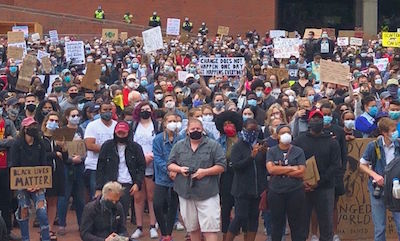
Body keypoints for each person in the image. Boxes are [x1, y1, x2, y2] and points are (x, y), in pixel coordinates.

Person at [168, 118, 226, 241]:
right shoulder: (179, 146)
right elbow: (170, 164)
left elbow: (222, 166)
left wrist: (205, 172)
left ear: (203, 130)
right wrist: (179, 169)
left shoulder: (213, 145)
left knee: (210, 229)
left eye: (198, 129)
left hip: (208, 192)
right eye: (193, 129)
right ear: (187, 131)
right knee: (192, 228)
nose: (196, 131)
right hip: (185, 192)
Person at [292, 110, 340, 241]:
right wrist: (302, 182)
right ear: (309, 121)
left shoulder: (332, 142)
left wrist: (319, 181)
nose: (316, 121)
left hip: (325, 187)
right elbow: (292, 162)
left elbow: (336, 165)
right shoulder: (299, 141)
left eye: (319, 119)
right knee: (301, 225)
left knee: (326, 225)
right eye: (314, 118)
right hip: (303, 187)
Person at [225, 118, 267, 241]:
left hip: (257, 189)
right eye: (250, 130)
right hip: (241, 189)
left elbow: (264, 167)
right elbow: (236, 166)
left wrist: (264, 154)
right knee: (240, 217)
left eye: (255, 130)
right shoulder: (238, 146)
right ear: (244, 130)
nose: (253, 132)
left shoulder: (260, 144)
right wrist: (251, 157)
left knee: (254, 217)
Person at [359, 118, 400, 241]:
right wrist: (375, 175)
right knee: (380, 228)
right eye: (392, 131)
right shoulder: (373, 145)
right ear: (384, 132)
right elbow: (362, 164)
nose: (395, 133)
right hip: (378, 188)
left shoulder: (398, 145)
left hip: (396, 189)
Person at [10, 117, 50, 241]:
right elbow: (14, 165)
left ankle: (45, 238)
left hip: (38, 183)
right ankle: (25, 238)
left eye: (34, 126)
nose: (33, 129)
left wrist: (40, 183)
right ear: (24, 129)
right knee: (24, 209)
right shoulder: (17, 144)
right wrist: (25, 184)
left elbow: (44, 163)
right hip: (22, 183)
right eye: (30, 127)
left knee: (42, 211)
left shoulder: (40, 143)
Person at [96, 121, 146, 219]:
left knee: (122, 211)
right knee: (106, 211)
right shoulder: (107, 146)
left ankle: (121, 231)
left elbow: (141, 166)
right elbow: (100, 167)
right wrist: (98, 188)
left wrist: (137, 183)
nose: (121, 135)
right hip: (110, 183)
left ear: (128, 133)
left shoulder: (136, 147)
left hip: (127, 182)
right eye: (119, 133)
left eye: (124, 133)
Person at [266, 124, 306, 241]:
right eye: (283, 133)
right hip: (276, 191)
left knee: (297, 224)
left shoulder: (298, 151)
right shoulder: (272, 151)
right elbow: (271, 169)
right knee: (277, 224)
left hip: (295, 191)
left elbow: (302, 171)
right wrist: (291, 168)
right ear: (277, 136)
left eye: (288, 132)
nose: (286, 135)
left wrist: (281, 170)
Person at [131, 102, 161, 239]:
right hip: (137, 164)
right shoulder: (133, 126)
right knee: (138, 197)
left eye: (147, 109)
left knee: (151, 196)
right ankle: (139, 227)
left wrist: (151, 156)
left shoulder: (157, 126)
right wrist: (140, 158)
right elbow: (130, 145)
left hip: (152, 164)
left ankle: (153, 226)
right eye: (142, 109)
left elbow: (160, 143)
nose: (145, 111)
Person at [57, 107, 86, 235]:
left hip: (80, 167)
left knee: (80, 198)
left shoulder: (82, 130)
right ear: (67, 117)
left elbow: (86, 147)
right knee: (64, 197)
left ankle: (82, 224)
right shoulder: (61, 131)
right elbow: (57, 150)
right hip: (66, 167)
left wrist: (81, 158)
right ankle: (62, 224)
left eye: (77, 115)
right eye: (73, 115)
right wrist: (70, 159)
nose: (75, 118)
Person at [215, 111, 243, 240]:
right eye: (225, 124)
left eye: (231, 123)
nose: (228, 126)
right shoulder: (219, 141)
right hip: (225, 176)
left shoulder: (244, 139)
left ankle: (236, 230)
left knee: (240, 206)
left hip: (241, 175)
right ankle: (225, 234)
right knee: (225, 207)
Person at [153, 113, 180, 241]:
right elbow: (157, 158)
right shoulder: (158, 139)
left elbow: (183, 156)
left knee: (173, 206)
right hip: (162, 177)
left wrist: (176, 171)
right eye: (170, 120)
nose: (173, 123)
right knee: (158, 204)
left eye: (175, 120)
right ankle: (163, 232)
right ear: (164, 123)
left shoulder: (180, 139)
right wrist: (169, 170)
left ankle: (168, 234)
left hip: (177, 177)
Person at [41, 111, 68, 239]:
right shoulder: (40, 137)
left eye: (57, 121)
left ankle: (50, 228)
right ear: (46, 122)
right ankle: (43, 227)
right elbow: (38, 155)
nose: (54, 123)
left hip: (57, 173)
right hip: (43, 174)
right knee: (43, 201)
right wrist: (54, 154)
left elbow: (66, 158)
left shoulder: (60, 137)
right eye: (51, 120)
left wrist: (63, 148)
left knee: (53, 201)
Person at [84, 102, 117, 200]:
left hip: (113, 166)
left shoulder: (117, 125)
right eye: (105, 110)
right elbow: (89, 145)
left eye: (110, 110)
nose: (107, 112)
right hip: (94, 165)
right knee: (96, 195)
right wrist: (108, 149)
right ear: (100, 111)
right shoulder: (92, 125)